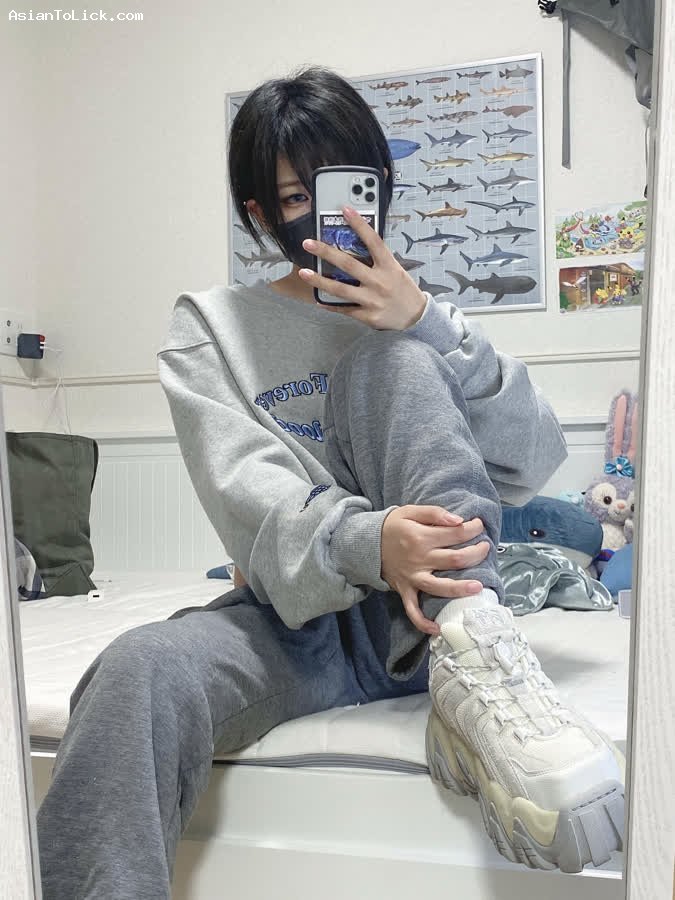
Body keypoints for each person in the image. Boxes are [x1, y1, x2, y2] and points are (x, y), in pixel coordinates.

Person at [36, 66, 624, 897]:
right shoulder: (211, 326)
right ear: (258, 214)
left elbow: (534, 460)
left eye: (343, 186)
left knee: (392, 362)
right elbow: (244, 493)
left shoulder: (419, 318)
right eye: (292, 197)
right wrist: (368, 541)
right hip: (292, 624)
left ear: (379, 186)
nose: (322, 213)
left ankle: (476, 666)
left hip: (435, 624)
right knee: (136, 670)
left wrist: (426, 324)